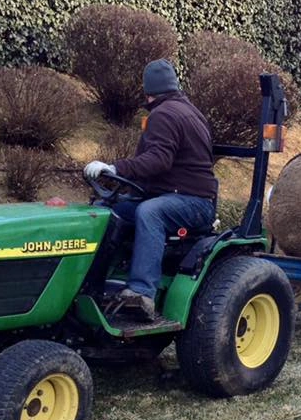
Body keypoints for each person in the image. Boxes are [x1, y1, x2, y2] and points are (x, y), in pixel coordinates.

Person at [83, 59, 218, 320]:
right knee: (109, 210)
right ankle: (96, 283)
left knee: (150, 212)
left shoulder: (164, 114)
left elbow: (159, 160)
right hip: (183, 196)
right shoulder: (190, 112)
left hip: (193, 202)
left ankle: (142, 292)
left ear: (148, 92)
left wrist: (114, 168)